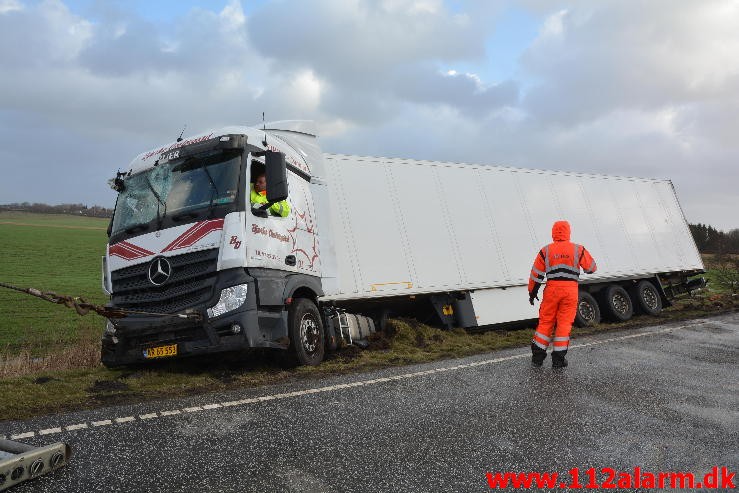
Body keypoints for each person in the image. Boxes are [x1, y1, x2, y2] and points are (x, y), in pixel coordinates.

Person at [528, 220, 597, 368]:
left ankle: (537, 359)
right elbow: (591, 268)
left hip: (552, 289)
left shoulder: (545, 250)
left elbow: (536, 275)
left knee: (546, 322)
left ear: (553, 233)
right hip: (570, 290)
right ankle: (558, 360)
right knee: (564, 324)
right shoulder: (578, 249)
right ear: (568, 232)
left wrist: (532, 293)